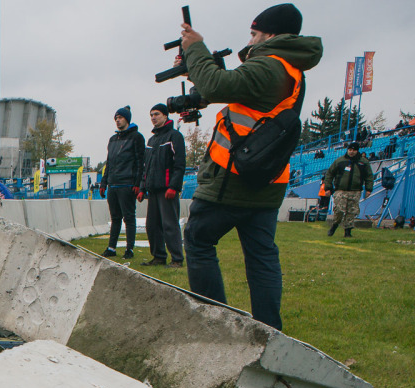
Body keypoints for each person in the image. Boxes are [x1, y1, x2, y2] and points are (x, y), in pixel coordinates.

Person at [179, 3, 322, 331]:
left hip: (232, 180)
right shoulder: (288, 69)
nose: (251, 39)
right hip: (267, 184)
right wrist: (194, 67)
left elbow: (217, 86)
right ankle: (269, 331)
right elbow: (230, 88)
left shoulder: (269, 67)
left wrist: (195, 47)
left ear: (271, 35)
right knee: (262, 257)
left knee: (199, 240)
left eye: (254, 33)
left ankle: (214, 323)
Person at [138, 103, 186, 267]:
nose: (153, 117)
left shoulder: (175, 136)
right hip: (153, 190)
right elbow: (147, 167)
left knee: (169, 225)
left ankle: (177, 259)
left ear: (165, 116)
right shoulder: (151, 140)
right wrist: (142, 187)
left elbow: (179, 165)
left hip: (167, 190)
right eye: (151, 115)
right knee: (152, 226)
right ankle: (158, 256)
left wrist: (174, 187)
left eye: (156, 114)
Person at [99, 106, 145, 259]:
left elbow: (140, 162)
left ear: (127, 119)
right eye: (116, 118)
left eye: (120, 117)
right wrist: (103, 183)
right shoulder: (112, 139)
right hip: (113, 184)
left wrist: (138, 183)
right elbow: (109, 163)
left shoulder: (137, 137)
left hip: (127, 184)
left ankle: (129, 249)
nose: (118, 120)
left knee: (129, 217)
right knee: (115, 218)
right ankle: (111, 248)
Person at [323, 141, 373, 238]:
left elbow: (369, 176)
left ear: (357, 151)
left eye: (353, 150)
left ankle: (347, 232)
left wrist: (368, 189)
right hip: (340, 190)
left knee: (351, 211)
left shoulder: (363, 162)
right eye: (350, 149)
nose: (351, 152)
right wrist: (328, 188)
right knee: (339, 210)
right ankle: (335, 225)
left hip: (355, 191)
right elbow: (329, 174)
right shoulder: (339, 161)